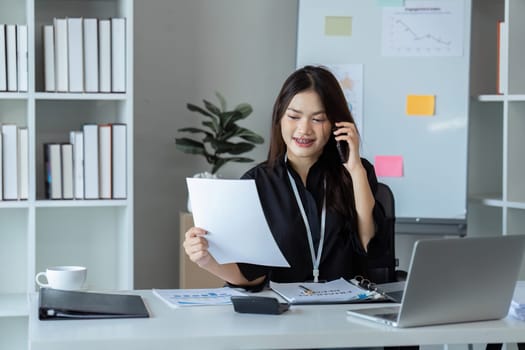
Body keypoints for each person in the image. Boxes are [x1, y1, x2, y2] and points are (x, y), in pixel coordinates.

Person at [183, 65, 387, 290]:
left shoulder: (356, 173)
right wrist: (206, 260)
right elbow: (252, 275)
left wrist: (355, 169)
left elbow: (368, 244)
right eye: (294, 117)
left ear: (335, 124)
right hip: (284, 314)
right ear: (280, 117)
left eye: (317, 119)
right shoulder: (256, 182)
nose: (304, 129)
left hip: (344, 312)